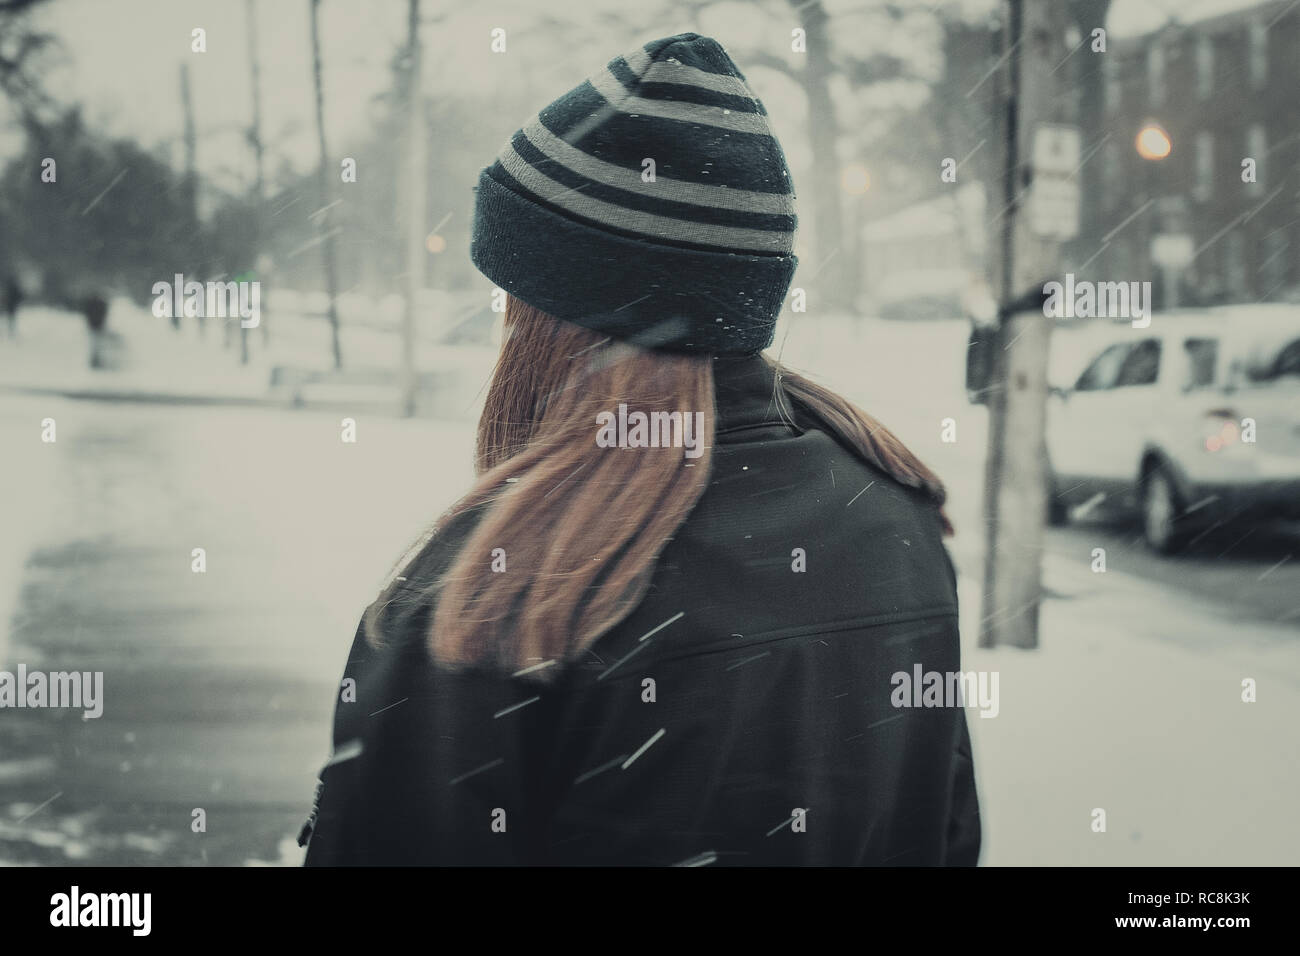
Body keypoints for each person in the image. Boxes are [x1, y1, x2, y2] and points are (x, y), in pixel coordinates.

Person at [301, 33, 979, 867]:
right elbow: (947, 838)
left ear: (550, 320)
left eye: (510, 300)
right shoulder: (896, 519)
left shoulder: (486, 601)